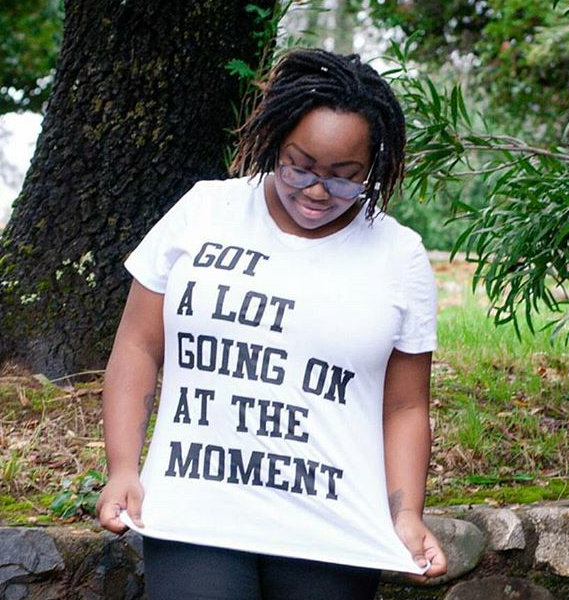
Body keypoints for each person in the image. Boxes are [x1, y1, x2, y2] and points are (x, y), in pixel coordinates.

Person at [96, 47, 447, 600]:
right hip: (195, 515)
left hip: (332, 532)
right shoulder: (204, 212)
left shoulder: (399, 256)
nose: (317, 190)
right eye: (299, 166)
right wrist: (123, 467)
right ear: (275, 141)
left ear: (373, 168)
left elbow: (404, 407)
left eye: (344, 178)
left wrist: (405, 516)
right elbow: (138, 345)